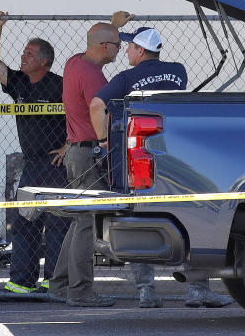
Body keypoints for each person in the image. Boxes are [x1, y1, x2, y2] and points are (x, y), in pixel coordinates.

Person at [90, 26, 231, 309]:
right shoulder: (178, 71)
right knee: (193, 215)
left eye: (130, 47)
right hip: (176, 157)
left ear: (140, 51)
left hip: (138, 159)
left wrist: (104, 141)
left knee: (140, 218)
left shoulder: (126, 78)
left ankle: (147, 292)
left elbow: (96, 105)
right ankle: (197, 290)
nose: (126, 50)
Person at [48, 11, 134, 308]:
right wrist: (104, 143)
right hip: (89, 153)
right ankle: (81, 291)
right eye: (117, 46)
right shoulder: (92, 74)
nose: (120, 50)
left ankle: (60, 284)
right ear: (104, 48)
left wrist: (114, 26)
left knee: (79, 221)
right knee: (86, 223)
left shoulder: (74, 62)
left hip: (76, 150)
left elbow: (97, 36)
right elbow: (101, 110)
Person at [0, 11, 69, 296]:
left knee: (57, 222)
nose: (24, 57)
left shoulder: (60, 85)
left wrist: (70, 146)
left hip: (57, 164)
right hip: (31, 164)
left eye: (30, 54)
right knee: (24, 221)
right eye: (24, 53)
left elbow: (84, 112)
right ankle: (21, 281)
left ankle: (53, 282)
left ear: (44, 61)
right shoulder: (19, 82)